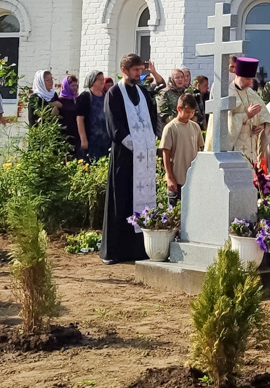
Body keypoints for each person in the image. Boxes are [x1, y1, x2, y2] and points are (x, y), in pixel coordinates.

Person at [100, 53, 161, 264]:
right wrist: (132, 143)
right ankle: (115, 251)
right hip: (124, 155)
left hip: (143, 157)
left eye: (140, 70)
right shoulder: (114, 93)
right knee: (121, 199)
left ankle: (139, 249)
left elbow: (152, 118)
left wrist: (151, 140)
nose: (139, 74)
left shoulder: (143, 93)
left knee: (142, 200)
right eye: (135, 70)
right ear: (125, 70)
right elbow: (113, 124)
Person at [205, 56, 270, 167]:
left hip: (251, 148)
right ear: (237, 76)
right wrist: (246, 115)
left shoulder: (251, 93)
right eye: (247, 79)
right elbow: (223, 122)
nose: (250, 83)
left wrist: (261, 126)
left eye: (251, 79)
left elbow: (264, 115)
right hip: (234, 148)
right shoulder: (227, 93)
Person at [160, 92, 204, 207]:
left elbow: (199, 150)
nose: (190, 115)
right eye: (188, 112)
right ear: (179, 108)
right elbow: (166, 153)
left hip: (193, 178)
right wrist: (169, 177)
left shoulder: (195, 127)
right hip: (177, 178)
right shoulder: (170, 128)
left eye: (193, 112)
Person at [75, 70, 112, 160]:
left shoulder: (106, 96)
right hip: (91, 137)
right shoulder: (85, 96)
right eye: (99, 79)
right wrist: (83, 139)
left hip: (104, 137)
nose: (102, 82)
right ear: (92, 81)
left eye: (102, 79)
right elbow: (80, 119)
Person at [56, 73, 81, 145]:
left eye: (76, 85)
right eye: (72, 85)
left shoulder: (77, 100)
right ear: (66, 86)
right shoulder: (60, 101)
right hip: (64, 135)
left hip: (76, 135)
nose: (75, 87)